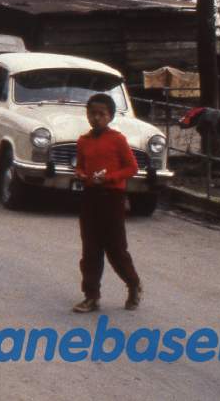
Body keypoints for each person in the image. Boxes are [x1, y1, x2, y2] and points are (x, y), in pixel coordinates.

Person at [72, 93, 142, 314]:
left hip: (112, 198)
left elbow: (132, 168)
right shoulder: (83, 141)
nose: (96, 118)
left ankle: (133, 284)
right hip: (90, 196)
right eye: (92, 113)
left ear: (110, 116)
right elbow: (80, 165)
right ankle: (91, 296)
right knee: (90, 250)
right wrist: (81, 174)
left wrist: (109, 177)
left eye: (101, 114)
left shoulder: (117, 139)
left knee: (116, 249)